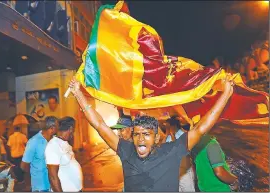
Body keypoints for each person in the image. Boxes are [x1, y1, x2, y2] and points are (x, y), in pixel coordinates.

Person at [68, 73, 236, 192]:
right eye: (137, 134)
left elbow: (201, 129)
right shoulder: (126, 150)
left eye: (146, 134)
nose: (140, 139)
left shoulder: (171, 152)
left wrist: (226, 94)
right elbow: (99, 124)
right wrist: (78, 93)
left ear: (156, 138)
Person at [20, 116, 58, 192]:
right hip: (41, 187)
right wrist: (34, 177)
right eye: (58, 126)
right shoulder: (34, 141)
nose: (59, 128)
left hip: (54, 185)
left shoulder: (55, 140)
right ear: (52, 128)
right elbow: (24, 166)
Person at [45, 116, 83, 192]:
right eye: (74, 129)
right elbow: (52, 176)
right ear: (71, 128)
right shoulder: (53, 145)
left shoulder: (65, 142)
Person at [164, 117, 195, 192]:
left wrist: (172, 136)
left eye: (168, 126)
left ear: (174, 126)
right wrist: (167, 134)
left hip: (184, 170)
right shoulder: (168, 136)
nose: (167, 128)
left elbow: (180, 150)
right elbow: (162, 148)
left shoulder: (184, 135)